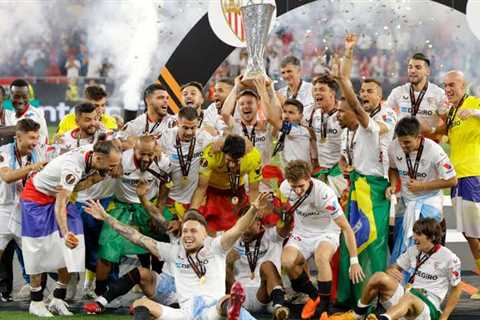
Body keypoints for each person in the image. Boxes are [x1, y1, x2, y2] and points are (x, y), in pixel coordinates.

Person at [84, 193, 273, 320]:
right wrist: (107, 218)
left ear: (204, 234)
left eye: (193, 231)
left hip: (212, 310)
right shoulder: (174, 251)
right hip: (184, 314)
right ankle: (233, 309)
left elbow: (238, 228)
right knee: (140, 303)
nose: (188, 235)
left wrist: (254, 208)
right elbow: (136, 237)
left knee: (225, 301)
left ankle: (233, 309)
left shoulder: (216, 246)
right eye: (185, 231)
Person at [20, 140, 122, 316]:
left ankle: (58, 298)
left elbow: (72, 191)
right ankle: (36, 302)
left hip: (63, 196)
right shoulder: (72, 168)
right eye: (112, 165)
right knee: (37, 249)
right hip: (37, 198)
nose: (115, 168)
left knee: (74, 246)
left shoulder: (96, 153)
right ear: (98, 158)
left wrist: (100, 176)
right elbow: (60, 203)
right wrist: (65, 233)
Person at [332, 53, 393, 306]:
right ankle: (349, 297)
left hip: (375, 192)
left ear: (379, 96)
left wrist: (343, 78)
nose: (364, 94)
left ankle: (373, 299)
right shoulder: (356, 129)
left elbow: (356, 108)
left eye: (369, 91)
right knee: (350, 242)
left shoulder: (381, 118)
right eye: (361, 90)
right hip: (358, 189)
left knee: (372, 244)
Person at [279, 160, 364, 320]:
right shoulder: (284, 188)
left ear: (309, 178)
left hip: (326, 232)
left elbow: (346, 228)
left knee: (321, 257)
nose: (297, 191)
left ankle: (324, 309)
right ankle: (314, 296)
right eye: (293, 186)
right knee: (287, 262)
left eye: (301, 186)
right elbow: (286, 209)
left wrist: (354, 261)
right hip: (301, 233)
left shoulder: (325, 194)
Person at [330, 218, 462, 320]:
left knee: (408, 298)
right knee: (379, 276)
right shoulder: (413, 250)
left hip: (428, 307)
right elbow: (393, 268)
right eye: (414, 233)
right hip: (407, 296)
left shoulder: (450, 258)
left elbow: (457, 290)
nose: (414, 238)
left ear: (432, 237)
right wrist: (390, 270)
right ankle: (358, 315)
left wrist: (444, 318)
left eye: (419, 234)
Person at [95, 135, 171, 298]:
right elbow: (109, 143)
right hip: (121, 206)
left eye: (149, 154)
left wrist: (160, 209)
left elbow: (165, 186)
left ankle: (157, 286)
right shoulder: (122, 159)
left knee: (163, 242)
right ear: (133, 150)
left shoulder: (162, 161)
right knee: (107, 248)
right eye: (141, 154)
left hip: (148, 206)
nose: (145, 158)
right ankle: (99, 293)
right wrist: (111, 167)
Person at [386, 117, 457, 261]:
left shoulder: (435, 151)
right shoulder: (393, 147)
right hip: (406, 201)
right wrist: (393, 185)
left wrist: (422, 186)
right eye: (400, 142)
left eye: (407, 142)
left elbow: (452, 180)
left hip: (429, 201)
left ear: (418, 137)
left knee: (424, 243)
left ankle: (425, 277)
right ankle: (404, 279)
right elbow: (393, 169)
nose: (403, 146)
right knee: (401, 244)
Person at [438, 70, 480, 298]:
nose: (448, 89)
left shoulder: (474, 103)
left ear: (464, 85)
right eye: (445, 85)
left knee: (476, 231)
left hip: (473, 175)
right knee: (468, 232)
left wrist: (474, 112)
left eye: (452, 84)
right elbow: (445, 140)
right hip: (456, 178)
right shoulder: (452, 112)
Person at [0, 119, 47, 301]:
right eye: (31, 138)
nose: (35, 142)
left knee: (34, 255)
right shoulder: (3, 152)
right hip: (3, 210)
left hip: (26, 211)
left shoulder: (38, 152)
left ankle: (37, 297)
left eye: (36, 137)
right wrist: (32, 168)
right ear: (18, 137)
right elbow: (7, 177)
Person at [190, 134, 262, 232]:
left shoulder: (253, 156)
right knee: (205, 228)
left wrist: (254, 215)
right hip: (212, 192)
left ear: (244, 155)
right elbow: (201, 188)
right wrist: (192, 214)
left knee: (246, 227)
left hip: (236, 191)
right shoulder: (211, 154)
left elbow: (254, 190)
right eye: (228, 160)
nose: (232, 165)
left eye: (236, 161)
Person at [158, 106, 215, 220]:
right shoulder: (166, 137)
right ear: (178, 122)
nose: (189, 132)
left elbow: (223, 141)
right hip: (170, 199)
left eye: (193, 128)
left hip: (194, 201)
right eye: (185, 127)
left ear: (198, 123)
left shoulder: (204, 137)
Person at [384, 53, 447, 141]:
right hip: (403, 146)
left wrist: (432, 130)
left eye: (418, 67)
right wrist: (395, 124)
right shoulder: (398, 91)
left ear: (427, 71)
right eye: (410, 67)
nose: (412, 71)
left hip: (427, 147)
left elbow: (448, 123)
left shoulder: (438, 94)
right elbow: (383, 114)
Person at [222, 75, 281, 166]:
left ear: (258, 104)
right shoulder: (236, 126)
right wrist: (236, 87)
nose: (246, 106)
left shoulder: (266, 127)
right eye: (242, 104)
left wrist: (270, 89)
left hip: (263, 176)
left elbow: (277, 114)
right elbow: (225, 113)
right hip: (241, 175)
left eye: (250, 103)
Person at [309, 74, 346, 197]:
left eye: (322, 89)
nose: (317, 93)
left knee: (342, 209)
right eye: (315, 90)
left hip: (340, 173)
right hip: (322, 171)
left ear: (332, 93)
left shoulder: (343, 115)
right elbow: (315, 137)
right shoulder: (314, 114)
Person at [117, 83, 176, 148]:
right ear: (148, 100)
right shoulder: (134, 125)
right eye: (160, 98)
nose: (166, 101)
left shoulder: (175, 123)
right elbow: (117, 143)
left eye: (167, 98)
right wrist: (138, 141)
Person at [4, 79, 49, 145]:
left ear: (28, 96)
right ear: (10, 96)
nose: (20, 101)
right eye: (16, 97)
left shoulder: (35, 114)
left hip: (36, 153)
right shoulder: (9, 114)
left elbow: (21, 130)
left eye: (24, 97)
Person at [277, 55, 314, 122]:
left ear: (299, 71)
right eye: (283, 72)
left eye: (289, 71)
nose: (286, 75)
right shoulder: (280, 93)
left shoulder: (312, 89)